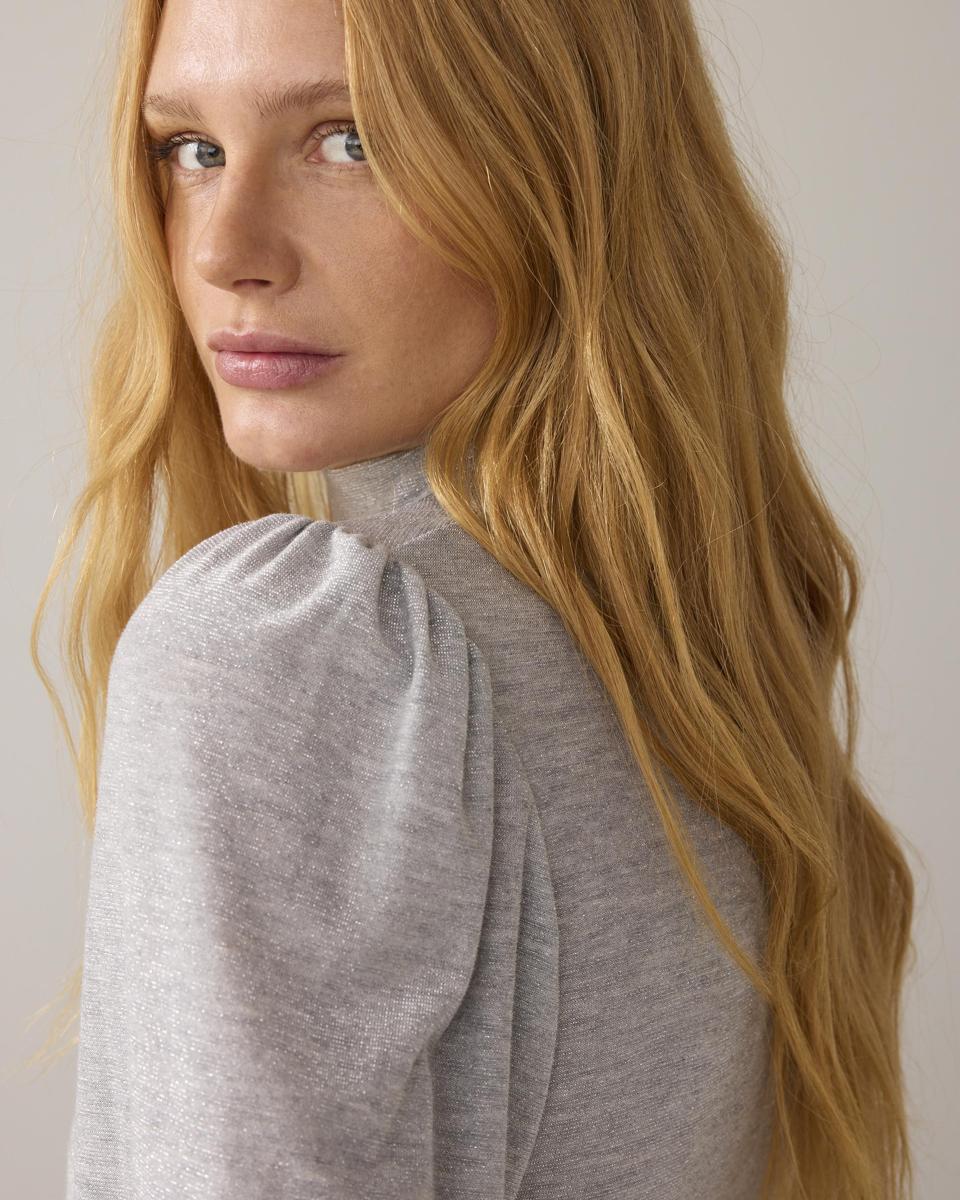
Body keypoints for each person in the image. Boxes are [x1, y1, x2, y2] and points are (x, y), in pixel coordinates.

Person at [29, 0, 916, 1197]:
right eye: (193, 149)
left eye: (351, 141)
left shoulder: (291, 655)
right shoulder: (700, 665)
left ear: (558, 163)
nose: (225, 250)